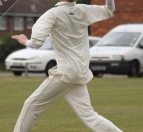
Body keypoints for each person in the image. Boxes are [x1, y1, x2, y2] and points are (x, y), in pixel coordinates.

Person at [11, 0, 123, 132]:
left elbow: (36, 43)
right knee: (89, 115)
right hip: (80, 72)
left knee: (30, 106)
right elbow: (110, 9)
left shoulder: (52, 14)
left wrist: (24, 41)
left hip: (66, 73)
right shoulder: (83, 10)